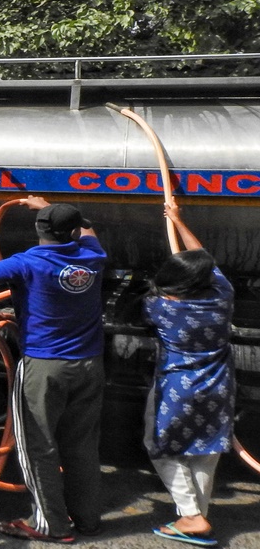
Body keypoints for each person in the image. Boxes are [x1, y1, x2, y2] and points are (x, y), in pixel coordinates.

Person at [0, 197, 106, 543]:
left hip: (43, 366)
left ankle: (52, 525)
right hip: (90, 364)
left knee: (38, 447)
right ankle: (88, 519)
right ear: (75, 231)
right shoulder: (93, 255)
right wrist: (48, 205)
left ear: (38, 231)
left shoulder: (28, 262)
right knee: (81, 446)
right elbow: (87, 229)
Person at [143, 197, 235, 548]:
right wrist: (179, 222)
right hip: (219, 386)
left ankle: (192, 516)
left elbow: (201, 265)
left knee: (160, 446)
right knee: (204, 450)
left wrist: (175, 221)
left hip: (176, 387)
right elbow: (204, 260)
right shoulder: (223, 294)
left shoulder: (160, 306)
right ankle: (195, 517)